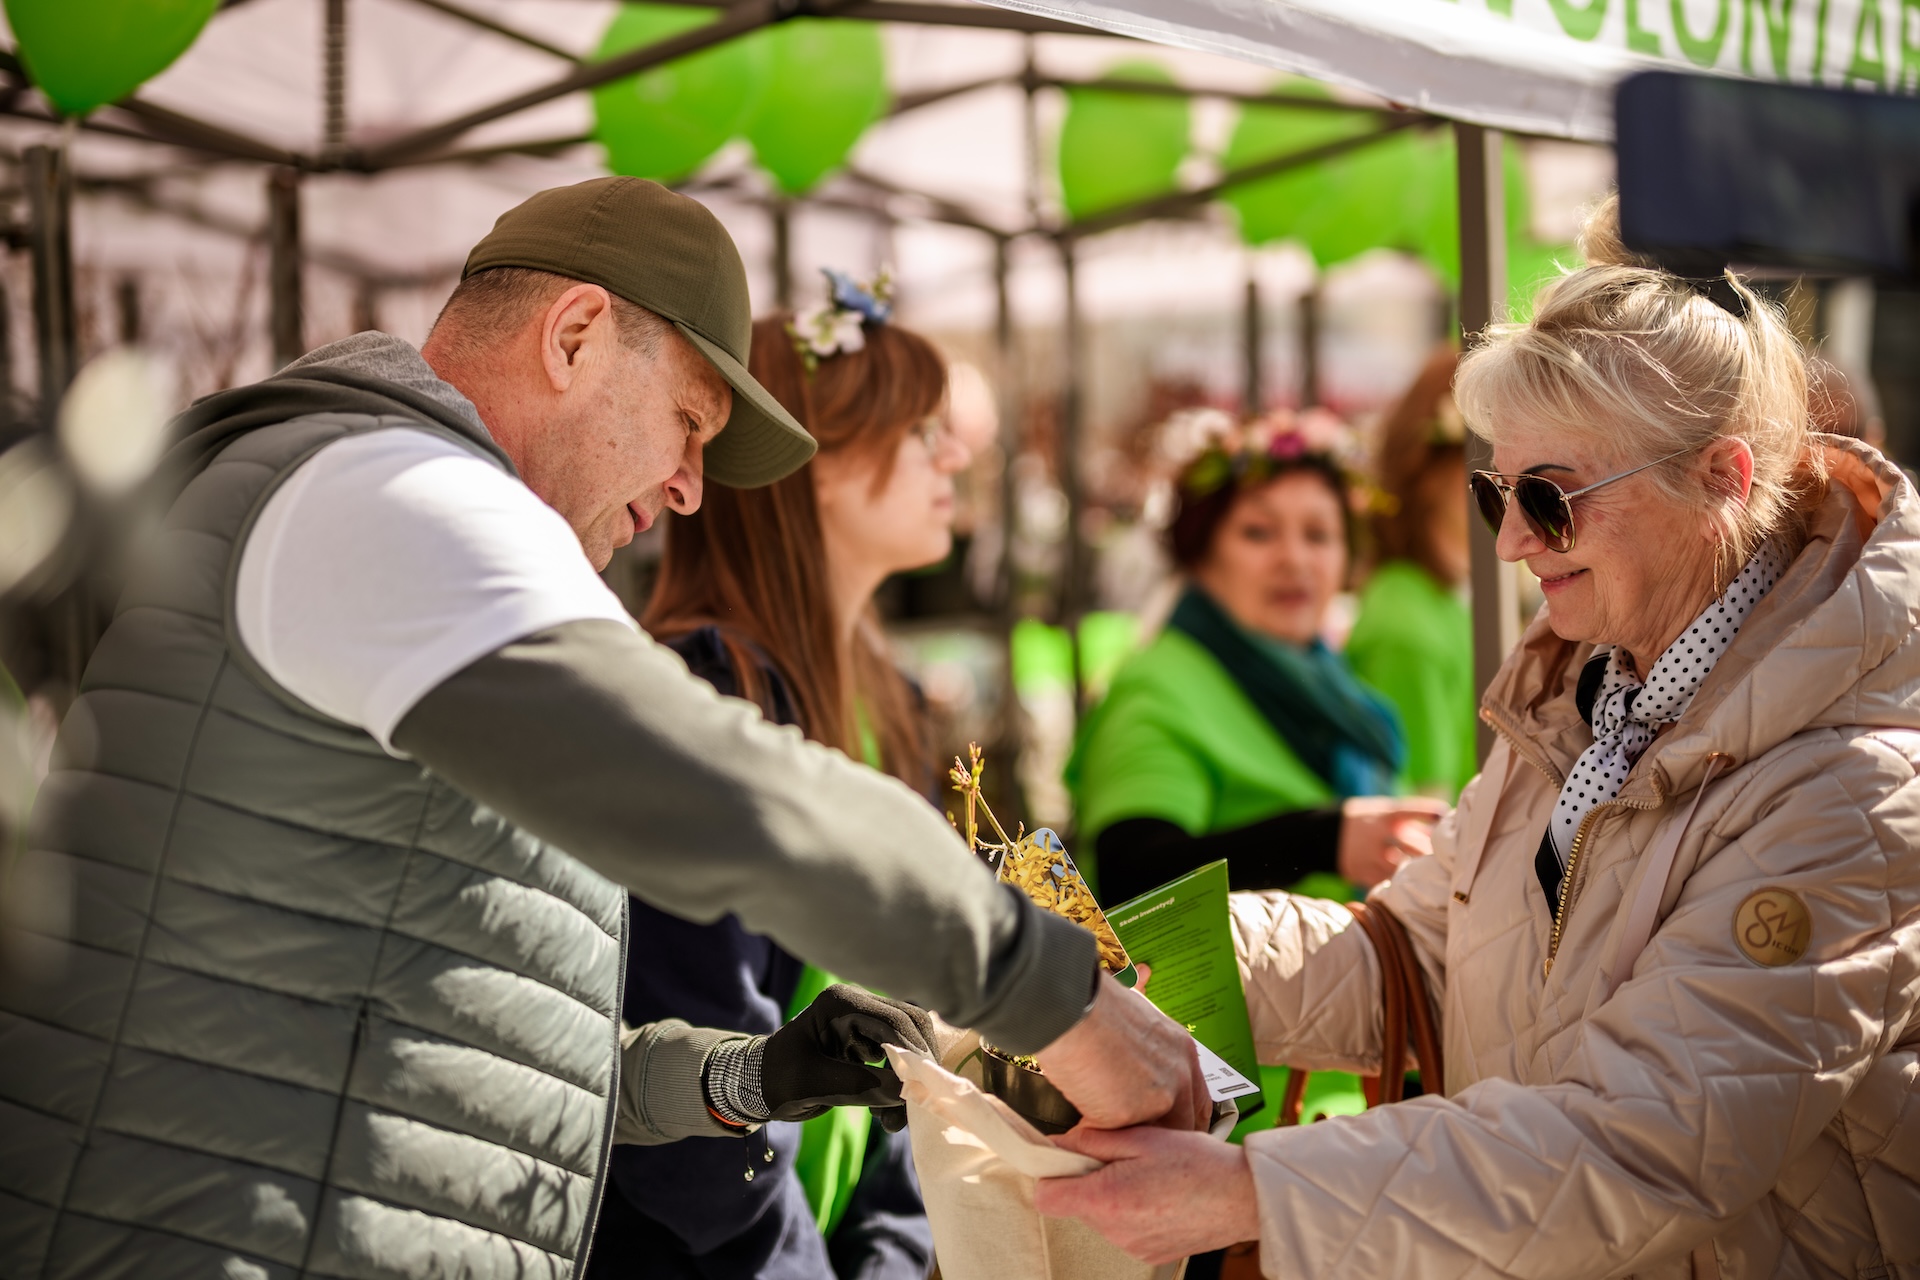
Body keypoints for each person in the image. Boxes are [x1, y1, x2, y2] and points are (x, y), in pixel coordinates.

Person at [0, 178, 1208, 1280]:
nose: (690, 486)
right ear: (575, 335)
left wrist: (743, 1077)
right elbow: (726, 797)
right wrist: (1062, 999)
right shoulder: (395, 491)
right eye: (688, 420)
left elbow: (474, 1033)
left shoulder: (381, 499)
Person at [1029, 196, 1920, 1277]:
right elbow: (1410, 951)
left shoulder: (1854, 790)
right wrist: (1098, 965)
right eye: (1497, 493)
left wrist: (1249, 1191)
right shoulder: (1590, 696)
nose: (1510, 542)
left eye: (1551, 499)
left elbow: (1637, 1146)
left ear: (1719, 480)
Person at [589, 281, 962, 1279]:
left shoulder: (886, 701)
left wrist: (893, 1249)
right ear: (815, 463)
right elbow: (695, 1087)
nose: (954, 457)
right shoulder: (697, 697)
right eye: (921, 431)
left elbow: (915, 1025)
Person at [1069, 413, 1445, 913]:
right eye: (1258, 532)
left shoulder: (1331, 683)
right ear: (1201, 554)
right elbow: (1130, 876)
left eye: (1318, 535)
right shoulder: (1156, 687)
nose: (1294, 559)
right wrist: (1324, 841)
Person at [1345, 349, 1477, 802]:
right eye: (1490, 458)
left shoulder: (1437, 597)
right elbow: (1424, 808)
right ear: (1428, 472)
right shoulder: (1407, 626)